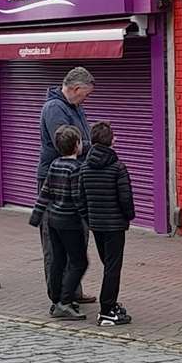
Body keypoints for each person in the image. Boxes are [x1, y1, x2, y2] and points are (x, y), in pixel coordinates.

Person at [40, 67, 97, 307]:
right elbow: (65, 144)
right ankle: (59, 296)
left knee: (78, 236)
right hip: (56, 181)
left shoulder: (74, 107)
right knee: (56, 242)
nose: (86, 99)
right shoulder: (55, 109)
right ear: (74, 89)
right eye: (84, 95)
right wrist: (94, 144)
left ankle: (72, 289)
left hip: (76, 178)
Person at [81, 121, 134, 326]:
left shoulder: (85, 167)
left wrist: (89, 218)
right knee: (113, 267)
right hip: (115, 225)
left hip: (96, 224)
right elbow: (126, 197)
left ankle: (110, 305)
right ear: (111, 140)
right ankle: (107, 310)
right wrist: (128, 216)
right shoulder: (117, 167)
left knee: (107, 264)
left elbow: (81, 198)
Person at [36, 125, 89, 320]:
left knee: (57, 261)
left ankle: (56, 299)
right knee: (79, 262)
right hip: (70, 222)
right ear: (77, 146)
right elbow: (78, 198)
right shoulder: (77, 169)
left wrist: (37, 215)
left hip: (52, 220)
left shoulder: (54, 165)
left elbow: (45, 192)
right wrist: (88, 219)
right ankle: (65, 301)